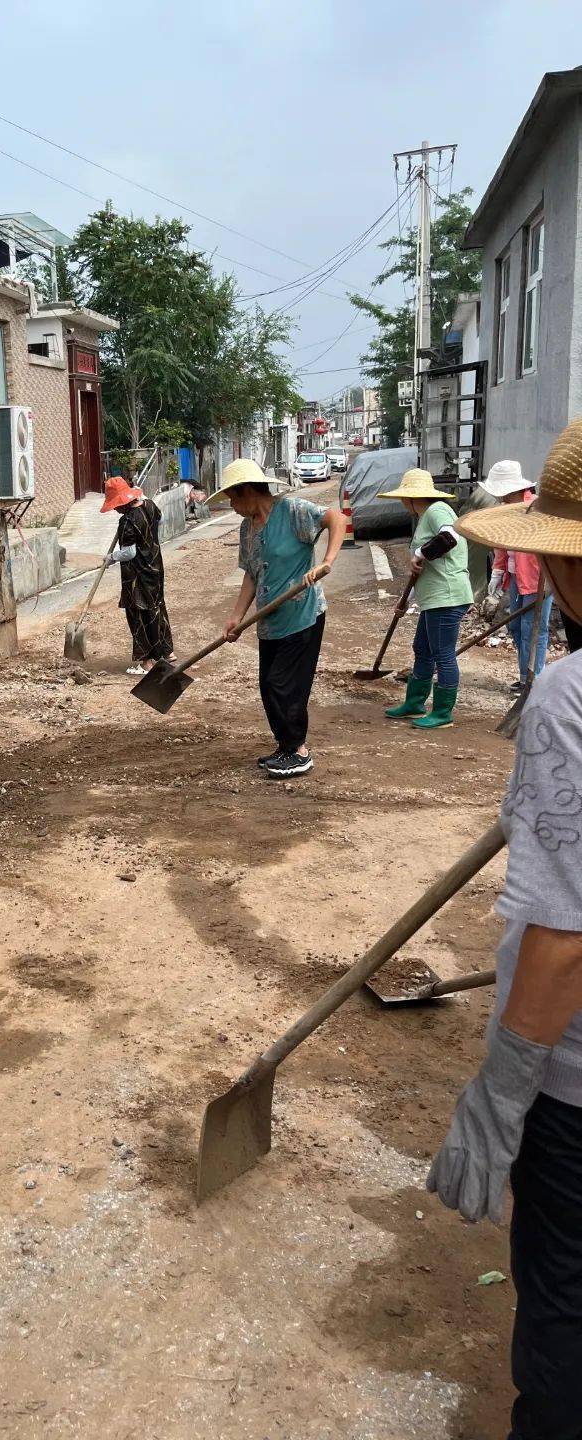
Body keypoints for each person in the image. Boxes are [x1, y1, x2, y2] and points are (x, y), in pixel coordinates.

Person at [427, 418, 582, 1439]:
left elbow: (565, 941)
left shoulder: (570, 698)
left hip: (576, 1095)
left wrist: (500, 1096)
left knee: (565, 1320)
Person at [218, 458, 345, 779]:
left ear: (247, 491)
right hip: (270, 621)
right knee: (268, 686)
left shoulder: (293, 512)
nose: (231, 506)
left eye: (232, 498)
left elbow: (337, 519)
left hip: (302, 615)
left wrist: (326, 562)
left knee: (285, 684)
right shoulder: (248, 528)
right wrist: (236, 617)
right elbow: (251, 574)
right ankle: (285, 746)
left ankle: (299, 751)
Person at [378, 468, 472, 730]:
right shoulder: (425, 516)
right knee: (422, 649)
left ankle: (443, 712)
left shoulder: (437, 510)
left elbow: (450, 537)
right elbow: (425, 564)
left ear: (409, 497)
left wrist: (420, 551)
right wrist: (405, 599)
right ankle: (415, 703)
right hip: (434, 597)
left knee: (442, 654)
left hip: (447, 595)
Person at [480, 460, 554, 695]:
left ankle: (533, 681)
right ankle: (525, 677)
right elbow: (502, 544)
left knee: (533, 629)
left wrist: (552, 581)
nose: (500, 499)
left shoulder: (538, 509)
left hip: (537, 580)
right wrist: (498, 572)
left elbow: (553, 546)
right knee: (516, 628)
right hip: (516, 578)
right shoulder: (507, 509)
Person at [99, 475, 173, 677]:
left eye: (116, 505)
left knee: (139, 615)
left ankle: (147, 662)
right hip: (155, 568)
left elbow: (129, 553)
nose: (115, 509)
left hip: (137, 577)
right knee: (157, 608)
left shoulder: (127, 521)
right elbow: (162, 519)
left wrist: (111, 557)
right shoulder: (149, 505)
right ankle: (167, 651)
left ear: (122, 503)